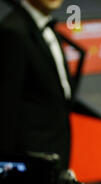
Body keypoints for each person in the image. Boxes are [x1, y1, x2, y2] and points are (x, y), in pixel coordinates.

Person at [0, 0, 78, 169]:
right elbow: (6, 108)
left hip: (54, 158)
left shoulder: (47, 28)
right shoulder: (13, 32)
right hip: (29, 165)